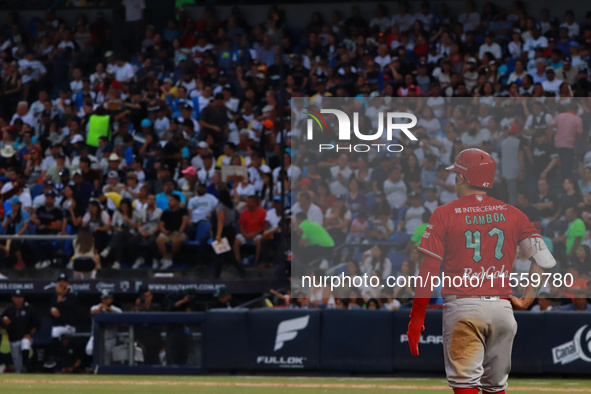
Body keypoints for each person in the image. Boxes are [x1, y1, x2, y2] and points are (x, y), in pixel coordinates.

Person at [407, 148, 556, 394]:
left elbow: (428, 273)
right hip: (502, 309)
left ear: (462, 177)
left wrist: (416, 319)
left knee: (465, 386)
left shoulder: (444, 214)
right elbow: (544, 259)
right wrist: (527, 298)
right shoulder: (513, 213)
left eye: (456, 174)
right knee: (495, 388)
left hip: (464, 308)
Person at [44, 273, 79, 370]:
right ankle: (55, 359)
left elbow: (68, 310)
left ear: (67, 283)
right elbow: (49, 311)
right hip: (59, 326)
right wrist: (52, 310)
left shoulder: (72, 296)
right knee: (54, 331)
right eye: (60, 282)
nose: (61, 284)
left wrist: (59, 299)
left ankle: (52, 357)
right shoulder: (55, 297)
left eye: (64, 282)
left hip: (70, 326)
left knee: (55, 331)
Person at [0, 290, 39, 373]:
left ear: (22, 298)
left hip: (25, 337)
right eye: (16, 297)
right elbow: (1, 320)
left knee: (25, 342)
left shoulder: (29, 309)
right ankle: (21, 373)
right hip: (13, 340)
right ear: (13, 298)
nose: (18, 299)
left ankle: (25, 365)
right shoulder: (9, 310)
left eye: (20, 297)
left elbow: (36, 324)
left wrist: (30, 334)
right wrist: (3, 319)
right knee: (18, 365)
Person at [212, 189, 245, 278]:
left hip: (224, 231)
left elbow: (220, 221)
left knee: (221, 254)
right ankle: (218, 274)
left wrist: (218, 235)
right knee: (224, 254)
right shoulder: (232, 204)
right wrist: (234, 189)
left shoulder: (221, 207)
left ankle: (217, 275)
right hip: (231, 230)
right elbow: (238, 200)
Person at [88, 290, 122, 365]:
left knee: (107, 360)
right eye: (104, 298)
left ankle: (104, 373)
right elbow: (92, 312)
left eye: (107, 298)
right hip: (96, 337)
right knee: (89, 350)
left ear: (111, 299)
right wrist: (101, 309)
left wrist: (108, 309)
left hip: (110, 338)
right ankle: (93, 366)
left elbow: (120, 315)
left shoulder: (116, 309)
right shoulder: (95, 307)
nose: (105, 300)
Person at [155, 194, 189, 269]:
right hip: (167, 232)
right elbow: (161, 224)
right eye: (169, 200)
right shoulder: (165, 212)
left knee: (176, 240)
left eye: (171, 200)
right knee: (159, 240)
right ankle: (166, 258)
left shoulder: (183, 210)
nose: (169, 202)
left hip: (178, 232)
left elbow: (184, 222)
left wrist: (180, 232)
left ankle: (169, 257)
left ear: (177, 202)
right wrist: (164, 231)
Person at [234, 195, 266, 265]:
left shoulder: (263, 212)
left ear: (255, 203)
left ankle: (256, 261)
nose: (247, 204)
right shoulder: (244, 212)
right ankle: (238, 262)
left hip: (257, 234)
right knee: (236, 240)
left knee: (258, 240)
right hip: (245, 234)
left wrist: (254, 233)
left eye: (250, 202)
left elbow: (263, 227)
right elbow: (241, 226)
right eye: (247, 202)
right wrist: (245, 234)